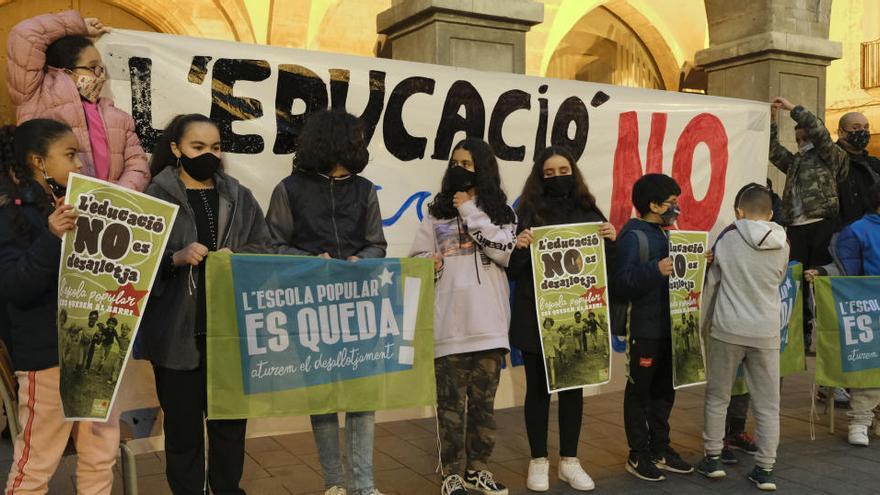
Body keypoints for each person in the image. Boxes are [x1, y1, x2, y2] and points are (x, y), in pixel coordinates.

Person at [138, 113, 271, 495]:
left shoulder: (239, 195)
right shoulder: (154, 196)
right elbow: (136, 263)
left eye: (215, 147)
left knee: (230, 430)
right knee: (183, 435)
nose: (208, 155)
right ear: (176, 149)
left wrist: (238, 256)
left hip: (230, 334)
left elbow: (264, 248)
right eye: (198, 147)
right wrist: (175, 258)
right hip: (176, 337)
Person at [266, 109, 386, 495]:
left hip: (358, 306)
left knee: (361, 397)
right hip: (310, 307)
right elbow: (272, 246)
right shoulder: (289, 189)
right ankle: (334, 483)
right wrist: (307, 262)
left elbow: (377, 244)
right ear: (334, 140)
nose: (360, 144)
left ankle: (364, 485)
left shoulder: (365, 189)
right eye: (356, 137)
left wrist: (360, 261)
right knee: (322, 396)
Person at [0, 118, 121, 494]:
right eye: (70, 155)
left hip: (98, 349)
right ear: (38, 160)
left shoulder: (75, 204)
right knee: (37, 463)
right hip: (47, 356)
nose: (80, 165)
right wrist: (52, 237)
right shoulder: (10, 212)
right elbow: (15, 287)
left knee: (100, 454)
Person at [507, 145, 616, 492]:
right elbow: (513, 270)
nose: (557, 177)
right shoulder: (525, 210)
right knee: (537, 389)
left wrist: (611, 240)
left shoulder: (588, 208)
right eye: (549, 173)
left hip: (577, 315)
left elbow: (605, 266)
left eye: (563, 171)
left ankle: (570, 460)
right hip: (537, 314)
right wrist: (520, 246)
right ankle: (538, 460)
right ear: (540, 176)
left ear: (574, 173)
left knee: (572, 389)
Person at [410, 137, 515, 495]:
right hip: (449, 326)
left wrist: (470, 210)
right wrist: (430, 262)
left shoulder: (502, 213)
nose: (460, 169)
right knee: (450, 408)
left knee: (484, 407)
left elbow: (505, 252)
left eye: (467, 163)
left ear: (482, 168)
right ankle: (451, 473)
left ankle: (478, 469)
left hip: (490, 326)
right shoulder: (434, 212)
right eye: (455, 162)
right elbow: (418, 256)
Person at [697, 183, 788, 491]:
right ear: (771, 213)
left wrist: (702, 325)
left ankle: (712, 460)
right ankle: (765, 469)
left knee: (718, 396)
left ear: (738, 212)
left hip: (728, 328)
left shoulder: (727, 239)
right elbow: (779, 278)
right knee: (767, 403)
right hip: (766, 331)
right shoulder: (783, 243)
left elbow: (712, 284)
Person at [7, 11, 149, 191]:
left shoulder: (118, 117)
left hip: (104, 212)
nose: (100, 76)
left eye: (101, 69)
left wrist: (113, 198)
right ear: (64, 70)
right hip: (50, 209)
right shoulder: (35, 94)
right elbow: (25, 35)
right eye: (92, 68)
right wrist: (78, 26)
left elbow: (137, 166)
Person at [615, 173, 694, 482]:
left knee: (663, 392)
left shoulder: (666, 233)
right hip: (644, 328)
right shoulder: (633, 236)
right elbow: (621, 282)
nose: (677, 208)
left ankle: (661, 447)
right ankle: (638, 453)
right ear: (653, 205)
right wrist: (655, 269)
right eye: (672, 203)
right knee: (639, 392)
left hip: (670, 327)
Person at [769, 97, 848, 355]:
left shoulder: (830, 156)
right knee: (797, 282)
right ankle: (800, 337)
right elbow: (773, 150)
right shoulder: (795, 163)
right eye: (798, 139)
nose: (802, 142)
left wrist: (793, 109)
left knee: (822, 283)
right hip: (796, 228)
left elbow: (818, 130)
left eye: (805, 137)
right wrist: (771, 120)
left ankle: (828, 337)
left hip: (823, 225)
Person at [812, 183, 880, 446]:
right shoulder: (857, 231)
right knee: (870, 368)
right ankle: (860, 420)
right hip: (868, 310)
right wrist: (821, 273)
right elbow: (848, 274)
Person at [836, 112, 880, 227]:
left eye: (866, 127)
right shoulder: (833, 162)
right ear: (841, 133)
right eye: (856, 127)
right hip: (843, 233)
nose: (863, 132)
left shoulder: (874, 164)